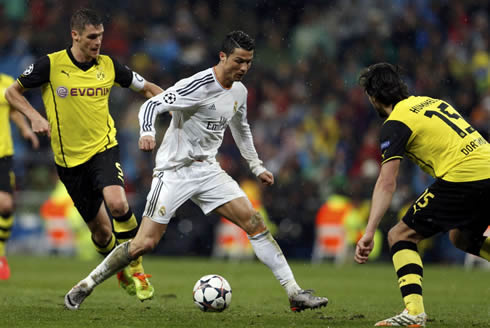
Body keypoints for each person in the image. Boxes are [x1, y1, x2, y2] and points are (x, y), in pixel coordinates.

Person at [63, 30, 328, 312]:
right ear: (223, 56)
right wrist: (147, 132)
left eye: (248, 62)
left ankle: (294, 293)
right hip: (174, 172)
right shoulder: (197, 85)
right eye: (239, 61)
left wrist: (256, 165)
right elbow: (152, 104)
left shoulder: (239, 91)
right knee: (144, 243)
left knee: (255, 224)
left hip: (208, 171)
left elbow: (242, 129)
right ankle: (86, 285)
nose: (244, 68)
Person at [5, 8, 163, 300]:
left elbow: (148, 89)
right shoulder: (50, 65)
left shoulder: (109, 66)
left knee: (117, 203)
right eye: (91, 37)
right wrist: (34, 117)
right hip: (69, 162)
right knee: (102, 235)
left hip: (104, 149)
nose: (97, 42)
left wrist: (176, 104)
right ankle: (119, 270)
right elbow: (12, 93)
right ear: (75, 36)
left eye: (100, 36)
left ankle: (137, 267)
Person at [354, 63, 490, 327]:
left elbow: (386, 182)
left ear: (373, 97)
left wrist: (370, 230)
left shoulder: (396, 123)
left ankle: (414, 313)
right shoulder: (430, 102)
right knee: (461, 237)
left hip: (465, 177)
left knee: (399, 235)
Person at [0, 73, 39, 280]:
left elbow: (13, 110)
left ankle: (0, 254)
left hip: (2, 154)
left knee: (5, 205)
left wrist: (25, 129)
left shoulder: (7, 82)